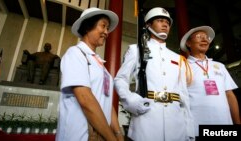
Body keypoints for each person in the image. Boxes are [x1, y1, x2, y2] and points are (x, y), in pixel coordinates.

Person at [114, 7, 195, 141]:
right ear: (148, 25)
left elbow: (183, 94)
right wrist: (130, 100)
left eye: (168, 23)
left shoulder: (177, 58)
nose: (165, 25)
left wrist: (189, 128)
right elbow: (120, 79)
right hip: (147, 120)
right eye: (160, 20)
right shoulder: (136, 50)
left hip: (176, 123)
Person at [55, 7, 123, 141]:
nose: (106, 32)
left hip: (101, 136)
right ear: (87, 27)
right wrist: (111, 138)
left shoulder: (100, 64)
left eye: (108, 28)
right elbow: (85, 99)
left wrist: (118, 134)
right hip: (78, 136)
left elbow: (107, 103)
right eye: (103, 26)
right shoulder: (75, 53)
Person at [180, 26, 241, 137]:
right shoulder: (183, 66)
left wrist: (237, 123)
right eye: (199, 37)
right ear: (188, 43)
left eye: (206, 37)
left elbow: (230, 95)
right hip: (197, 128)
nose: (204, 39)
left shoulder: (220, 66)